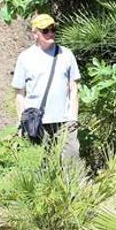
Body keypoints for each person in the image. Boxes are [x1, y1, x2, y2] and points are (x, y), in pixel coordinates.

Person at [11, 14, 81, 159]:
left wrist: (73, 117)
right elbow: (19, 94)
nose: (50, 33)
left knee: (72, 159)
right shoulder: (25, 57)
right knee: (42, 166)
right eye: (45, 31)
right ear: (35, 33)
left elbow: (74, 88)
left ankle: (73, 183)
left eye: (53, 29)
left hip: (65, 121)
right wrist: (21, 122)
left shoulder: (66, 54)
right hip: (37, 123)